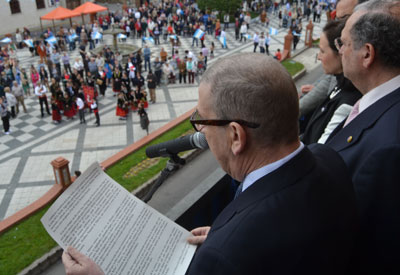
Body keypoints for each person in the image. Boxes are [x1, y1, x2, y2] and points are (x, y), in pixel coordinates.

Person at [62, 53, 358, 275]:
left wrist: (228, 240)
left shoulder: (226, 256)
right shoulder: (326, 157)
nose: (199, 132)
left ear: (235, 136)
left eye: (202, 120)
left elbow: (255, 238)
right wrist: (224, 232)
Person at [326, 2, 400, 273]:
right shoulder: (379, 104)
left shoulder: (389, 147)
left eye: (343, 43)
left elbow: (372, 247)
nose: (339, 50)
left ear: (367, 54)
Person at [301, 19, 361, 145]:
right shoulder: (339, 85)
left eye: (323, 51)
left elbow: (319, 149)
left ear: (340, 53)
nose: (318, 57)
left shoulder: (348, 101)